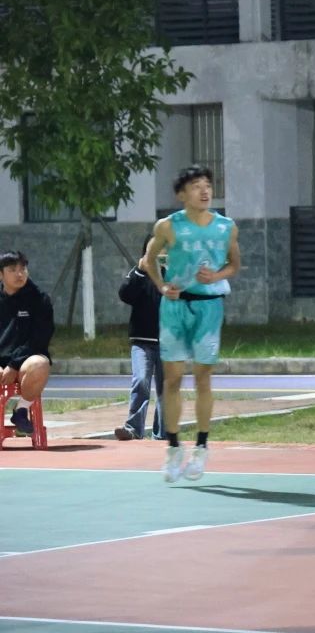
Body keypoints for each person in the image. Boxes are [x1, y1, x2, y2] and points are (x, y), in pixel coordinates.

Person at [145, 165, 240, 483]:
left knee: (202, 378)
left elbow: (234, 265)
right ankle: (173, 447)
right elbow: (148, 260)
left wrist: (216, 275)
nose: (204, 190)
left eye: (207, 185)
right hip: (174, 309)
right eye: (197, 186)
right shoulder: (168, 226)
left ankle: (201, 447)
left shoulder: (226, 227)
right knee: (172, 379)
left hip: (209, 309)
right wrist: (162, 286)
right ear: (181, 194)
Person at [114, 238, 165, 441]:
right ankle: (133, 428)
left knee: (166, 389)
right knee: (141, 380)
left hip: (169, 344)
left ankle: (162, 434)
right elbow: (125, 294)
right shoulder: (139, 275)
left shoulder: (173, 275)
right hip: (142, 342)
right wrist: (140, 271)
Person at [0, 250, 54, 436]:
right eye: (12, 270)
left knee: (40, 364)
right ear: (1, 274)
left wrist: (14, 364)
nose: (19, 274)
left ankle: (21, 410)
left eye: (23, 269)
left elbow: (40, 338)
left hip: (26, 359)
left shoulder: (39, 299)